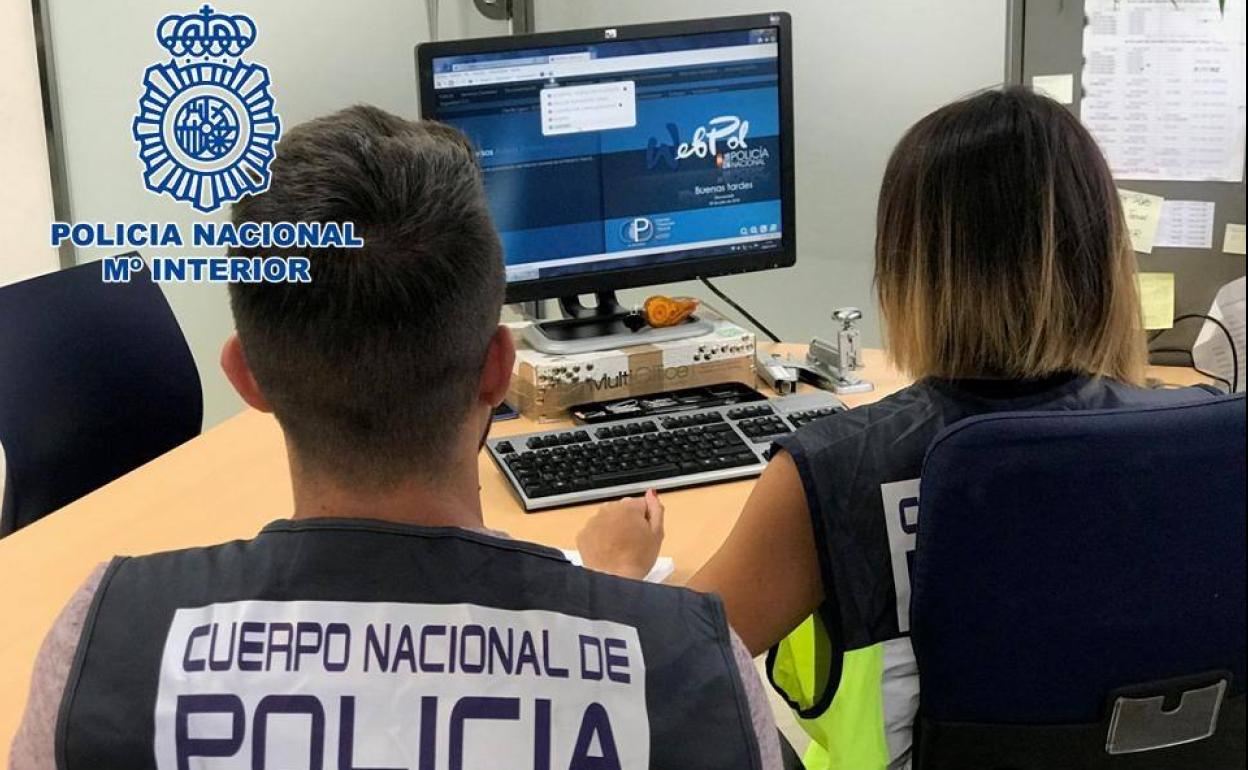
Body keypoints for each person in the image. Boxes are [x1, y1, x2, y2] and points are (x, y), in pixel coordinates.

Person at [10, 106, 781, 770]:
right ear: (498, 369)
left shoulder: (101, 643)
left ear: (248, 379)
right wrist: (613, 593)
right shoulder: (694, 667)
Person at [577, 87, 1218, 769]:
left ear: (911, 269)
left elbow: (649, 680)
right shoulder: (1202, 449)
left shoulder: (839, 472)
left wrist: (617, 570)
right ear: (1105, 258)